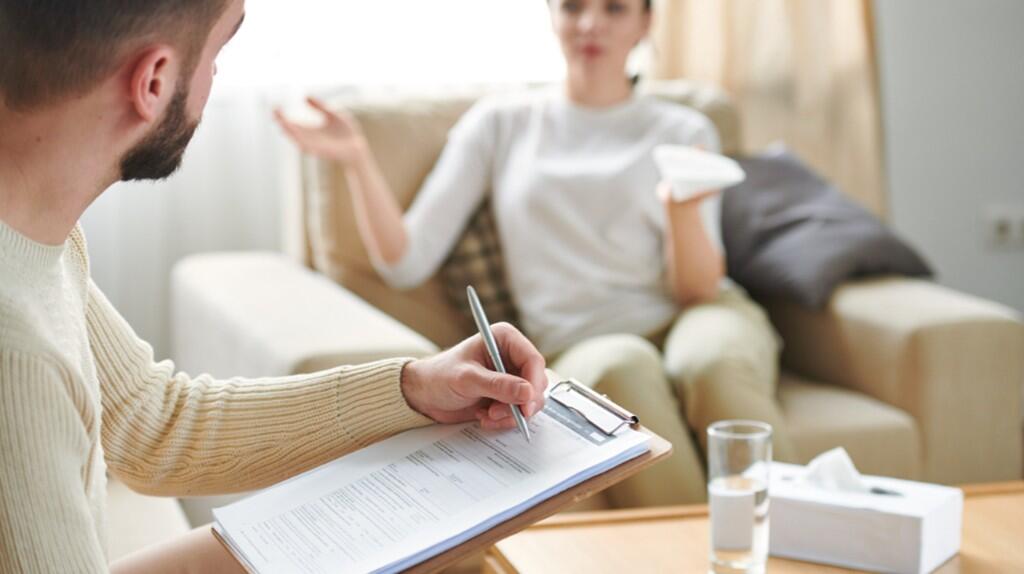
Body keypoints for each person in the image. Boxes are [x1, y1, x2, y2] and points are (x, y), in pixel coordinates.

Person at [0, 1, 549, 572]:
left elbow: (153, 422)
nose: (215, 76)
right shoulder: (15, 347)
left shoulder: (38, 237)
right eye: (217, 52)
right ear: (154, 81)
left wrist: (415, 387)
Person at [277, 0, 797, 507]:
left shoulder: (684, 130)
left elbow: (698, 289)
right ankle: (689, 551)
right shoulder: (501, 123)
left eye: (614, 8)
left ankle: (795, 541)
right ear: (551, 16)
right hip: (584, 338)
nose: (590, 23)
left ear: (646, 21)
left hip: (697, 312)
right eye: (572, 7)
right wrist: (357, 160)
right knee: (622, 366)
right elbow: (405, 262)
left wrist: (680, 211)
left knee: (711, 361)